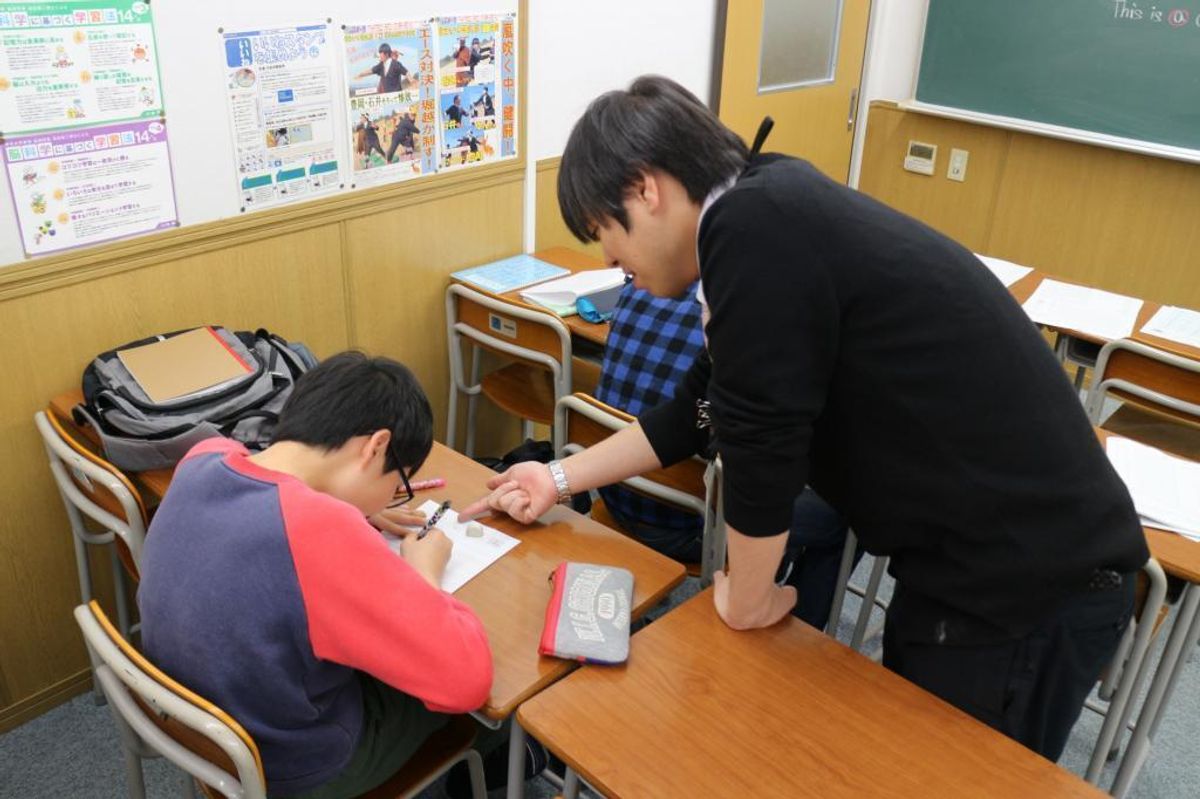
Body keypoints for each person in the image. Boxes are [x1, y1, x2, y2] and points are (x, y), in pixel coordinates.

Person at [462, 75, 1148, 761]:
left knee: (946, 772)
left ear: (646, 190)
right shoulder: (758, 210)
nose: (610, 260)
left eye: (603, 233)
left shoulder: (751, 227)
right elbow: (702, 409)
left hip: (1027, 579)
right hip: (960, 564)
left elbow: (762, 441)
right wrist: (557, 477)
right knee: (900, 759)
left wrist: (748, 598)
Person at [138, 352, 492, 798]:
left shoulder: (203, 457)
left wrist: (348, 505)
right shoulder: (318, 530)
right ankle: (504, 765)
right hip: (293, 766)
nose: (393, 496)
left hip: (198, 727)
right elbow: (466, 682)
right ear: (375, 447)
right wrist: (424, 572)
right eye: (397, 483)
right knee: (486, 704)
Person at [596, 278, 853, 628]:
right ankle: (797, 635)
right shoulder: (748, 324)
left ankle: (770, 591)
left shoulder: (639, 286)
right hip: (691, 522)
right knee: (845, 516)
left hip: (613, 494)